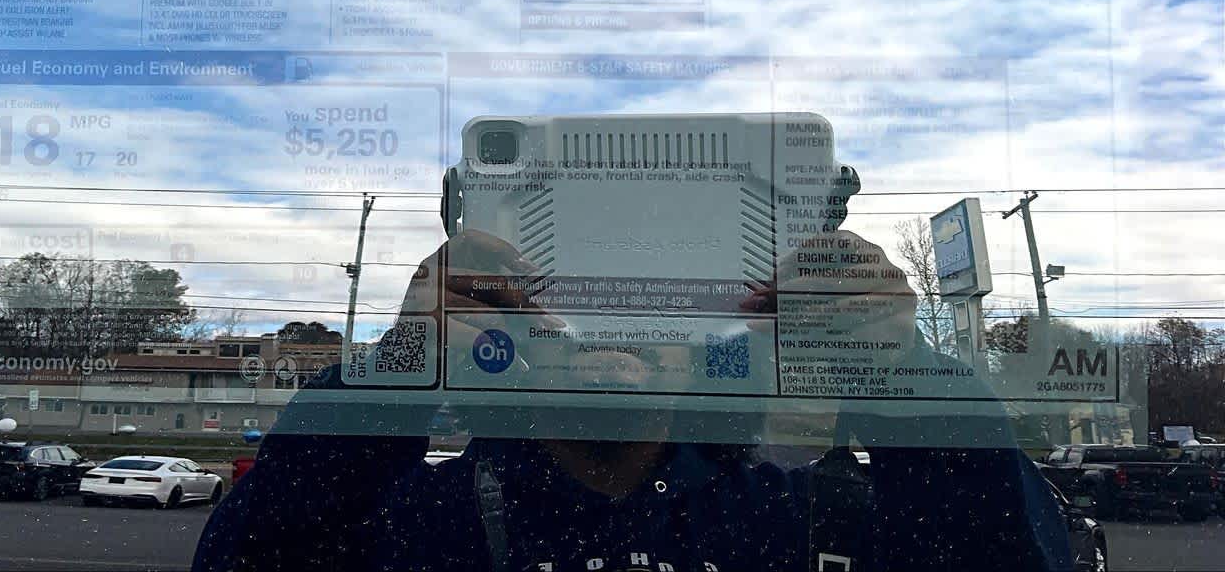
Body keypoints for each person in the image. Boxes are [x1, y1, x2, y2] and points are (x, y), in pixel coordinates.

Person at [194, 166, 1071, 572]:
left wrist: (899, 372)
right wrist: (398, 369)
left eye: (661, 291)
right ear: (507, 314)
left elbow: (1006, 556)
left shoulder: (809, 521)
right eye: (574, 283)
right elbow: (249, 557)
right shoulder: (412, 520)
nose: (613, 322)